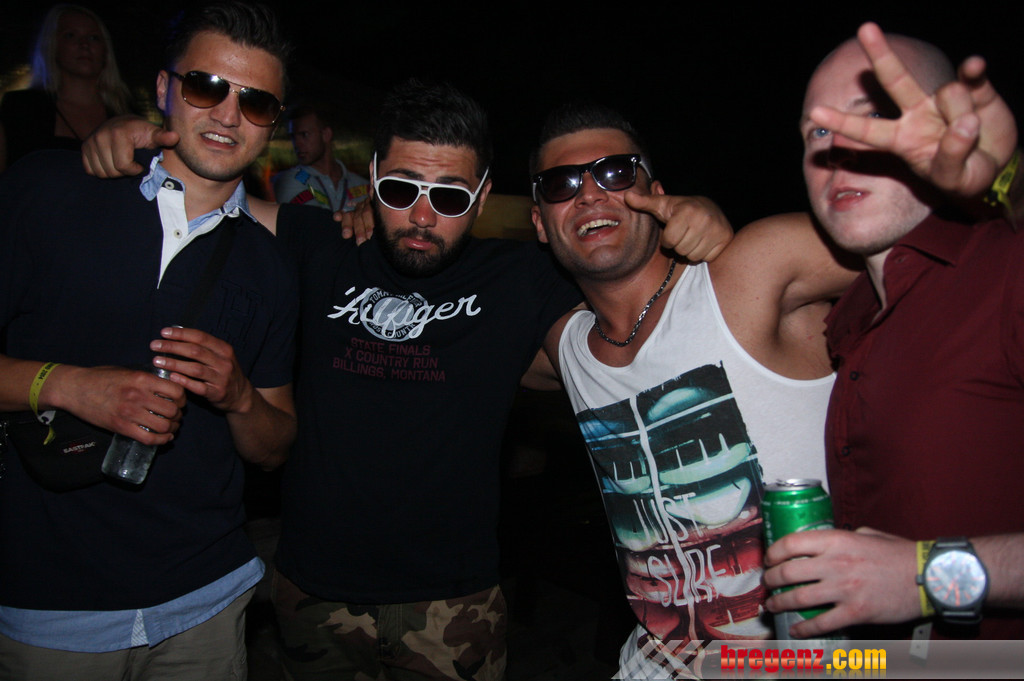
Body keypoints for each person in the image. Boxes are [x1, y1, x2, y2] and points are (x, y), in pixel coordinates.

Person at [77, 78, 735, 679]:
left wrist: (694, 228)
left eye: (449, 196)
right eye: (400, 190)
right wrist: (142, 148)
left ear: (481, 197)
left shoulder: (522, 279)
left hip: (455, 601)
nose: (422, 216)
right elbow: (213, 197)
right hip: (313, 590)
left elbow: (632, 312)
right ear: (371, 178)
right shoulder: (322, 243)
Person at [0, 2, 298, 678]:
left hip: (208, 602)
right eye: (206, 87)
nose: (228, 115)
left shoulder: (269, 265)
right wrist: (68, 385)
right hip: (52, 607)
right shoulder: (47, 190)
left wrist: (240, 397)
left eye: (255, 102)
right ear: (164, 89)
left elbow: (275, 446)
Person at [527, 103, 858, 677]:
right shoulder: (568, 347)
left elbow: (933, 243)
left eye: (615, 173)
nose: (590, 194)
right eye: (562, 184)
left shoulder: (749, 273)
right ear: (539, 222)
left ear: (657, 194)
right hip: (657, 660)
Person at [763, 23, 1024, 642]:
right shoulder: (849, 323)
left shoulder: (1006, 275)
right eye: (817, 132)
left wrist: (926, 576)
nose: (837, 148)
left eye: (875, 116)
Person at [0, 3, 134, 172]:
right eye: (70, 35)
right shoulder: (22, 107)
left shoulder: (125, 111)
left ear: (106, 51)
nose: (84, 45)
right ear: (52, 45)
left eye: (94, 37)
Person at [271, 101, 370, 212]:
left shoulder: (364, 185)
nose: (297, 144)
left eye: (304, 135)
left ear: (326, 135)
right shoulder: (287, 181)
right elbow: (310, 219)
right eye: (293, 137)